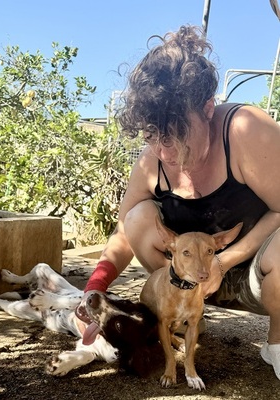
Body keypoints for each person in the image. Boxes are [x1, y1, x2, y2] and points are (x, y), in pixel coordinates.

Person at [78, 25, 280, 380]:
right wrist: (94, 289)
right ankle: (175, 319)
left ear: (207, 109)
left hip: (255, 276)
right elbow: (125, 234)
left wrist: (225, 258)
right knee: (139, 216)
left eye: (176, 132)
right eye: (153, 135)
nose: (164, 150)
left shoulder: (245, 130)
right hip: (185, 281)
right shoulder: (151, 161)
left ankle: (276, 344)